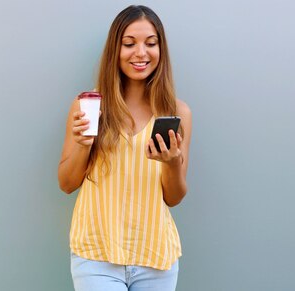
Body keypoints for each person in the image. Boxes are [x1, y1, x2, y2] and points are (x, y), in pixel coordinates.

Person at [57, 5, 192, 291]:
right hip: (96, 254)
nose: (141, 53)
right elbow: (67, 184)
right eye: (129, 44)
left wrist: (171, 162)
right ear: (115, 50)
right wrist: (83, 146)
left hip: (155, 256)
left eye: (151, 43)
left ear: (161, 50)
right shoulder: (89, 107)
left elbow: (174, 197)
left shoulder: (178, 113)